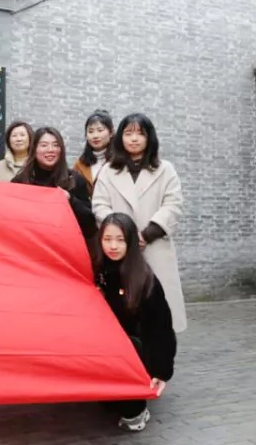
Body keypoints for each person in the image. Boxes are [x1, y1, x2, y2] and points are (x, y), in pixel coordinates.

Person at [92, 113, 186, 332]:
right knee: (123, 317)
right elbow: (99, 205)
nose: (134, 139)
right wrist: (122, 234)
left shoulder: (165, 170)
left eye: (140, 134)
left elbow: (173, 205)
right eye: (128, 133)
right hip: (119, 249)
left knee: (159, 317)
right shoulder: (109, 171)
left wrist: (147, 234)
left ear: (149, 138)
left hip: (154, 246)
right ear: (120, 137)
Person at [93, 213, 176, 432]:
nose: (113, 246)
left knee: (129, 412)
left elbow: (161, 328)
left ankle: (138, 408)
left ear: (131, 242)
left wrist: (161, 371)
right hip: (107, 344)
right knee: (107, 404)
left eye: (120, 240)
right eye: (107, 239)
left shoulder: (144, 279)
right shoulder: (97, 271)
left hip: (136, 348)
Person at [12, 127, 97, 245]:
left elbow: (90, 227)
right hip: (29, 246)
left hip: (64, 247)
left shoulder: (75, 180)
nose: (50, 150)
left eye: (56, 145)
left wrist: (70, 200)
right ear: (34, 149)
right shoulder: (20, 182)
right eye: (44, 145)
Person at [73, 110, 114, 192]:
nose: (95, 136)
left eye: (100, 130)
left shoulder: (119, 161)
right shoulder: (79, 165)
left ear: (111, 132)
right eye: (90, 131)